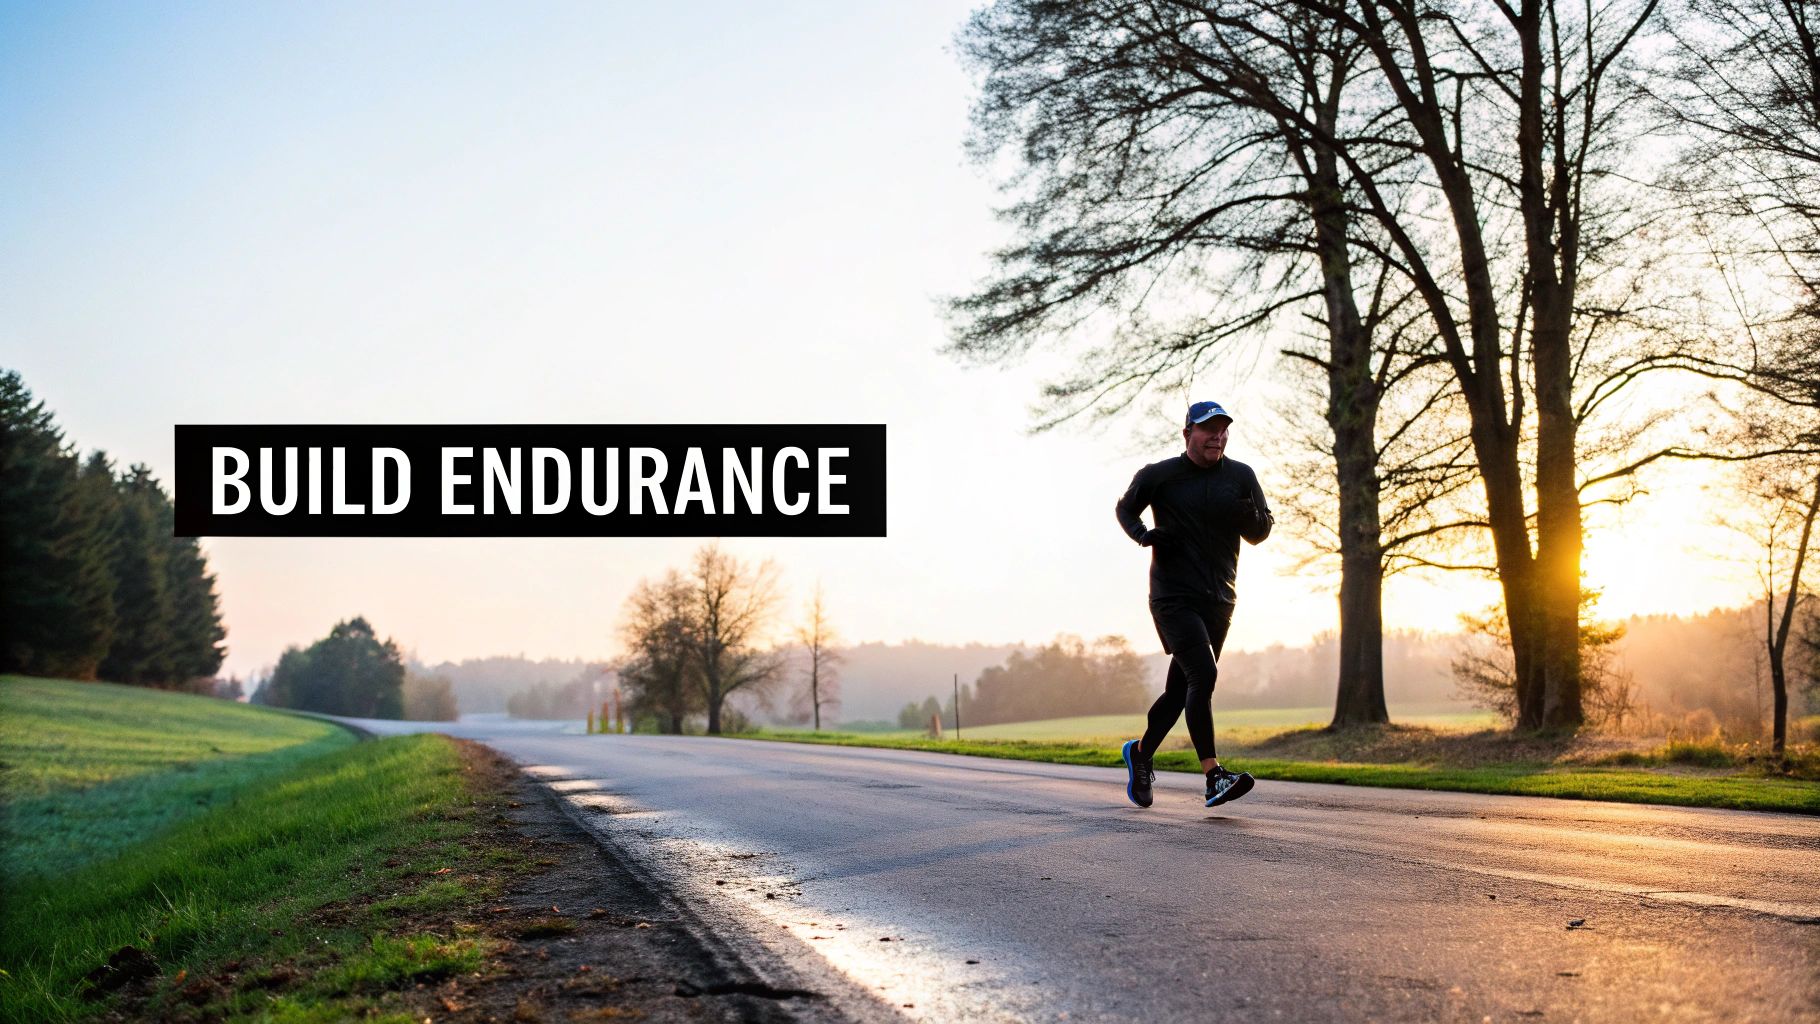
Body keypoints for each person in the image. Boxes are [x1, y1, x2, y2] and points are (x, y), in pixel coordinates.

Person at [1114, 400, 1273, 808]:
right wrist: (1143, 535)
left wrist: (1249, 515)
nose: (1217, 437)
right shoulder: (1160, 475)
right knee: (1203, 674)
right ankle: (1213, 777)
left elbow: (1261, 532)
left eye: (1222, 430)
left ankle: (1140, 753)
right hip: (1172, 595)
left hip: (1220, 598)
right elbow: (1125, 507)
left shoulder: (1241, 476)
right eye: (1208, 430)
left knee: (1179, 690)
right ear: (1188, 434)